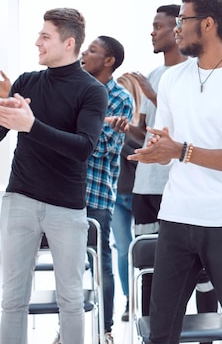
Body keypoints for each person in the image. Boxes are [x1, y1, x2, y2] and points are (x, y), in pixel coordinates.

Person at [128, 0, 222, 344]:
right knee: (161, 329)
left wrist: (183, 151)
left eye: (182, 20)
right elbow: (167, 141)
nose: (176, 28)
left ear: (207, 24)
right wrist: (156, 150)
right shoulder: (174, 79)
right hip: (175, 218)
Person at [0, 8, 108, 344]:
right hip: (19, 199)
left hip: (66, 207)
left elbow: (83, 147)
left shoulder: (92, 91)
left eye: (45, 36)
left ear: (69, 42)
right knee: (12, 300)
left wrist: (31, 126)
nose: (37, 42)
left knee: (71, 300)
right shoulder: (26, 82)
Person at [81, 35, 134, 343]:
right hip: (64, 194)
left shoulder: (121, 99)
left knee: (102, 264)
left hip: (97, 195)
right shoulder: (74, 88)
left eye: (92, 50)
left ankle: (106, 330)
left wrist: (79, 127)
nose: (84, 54)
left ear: (109, 60)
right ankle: (69, 329)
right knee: (71, 268)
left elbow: (100, 147)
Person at [109, 73, 143, 322]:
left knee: (144, 248)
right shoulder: (108, 124)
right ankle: (129, 299)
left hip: (141, 195)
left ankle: (146, 297)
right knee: (122, 250)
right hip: (116, 196)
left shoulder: (139, 129)